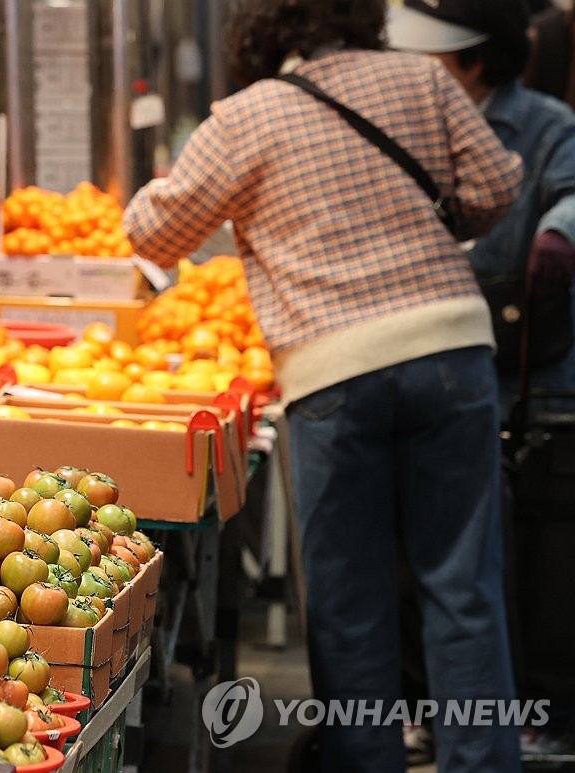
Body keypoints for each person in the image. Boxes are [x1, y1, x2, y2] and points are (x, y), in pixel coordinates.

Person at [123, 0, 523, 769]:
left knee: (350, 605)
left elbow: (153, 232)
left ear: (256, 31)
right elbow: (498, 184)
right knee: (463, 588)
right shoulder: (425, 80)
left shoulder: (249, 114)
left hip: (335, 368)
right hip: (452, 347)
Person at [387, 0, 575, 760]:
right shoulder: (412, 119)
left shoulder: (546, 124)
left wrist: (561, 229)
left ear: (471, 61)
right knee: (422, 549)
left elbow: (572, 187)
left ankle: (520, 713)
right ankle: (421, 705)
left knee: (496, 558)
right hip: (424, 354)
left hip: (521, 365)